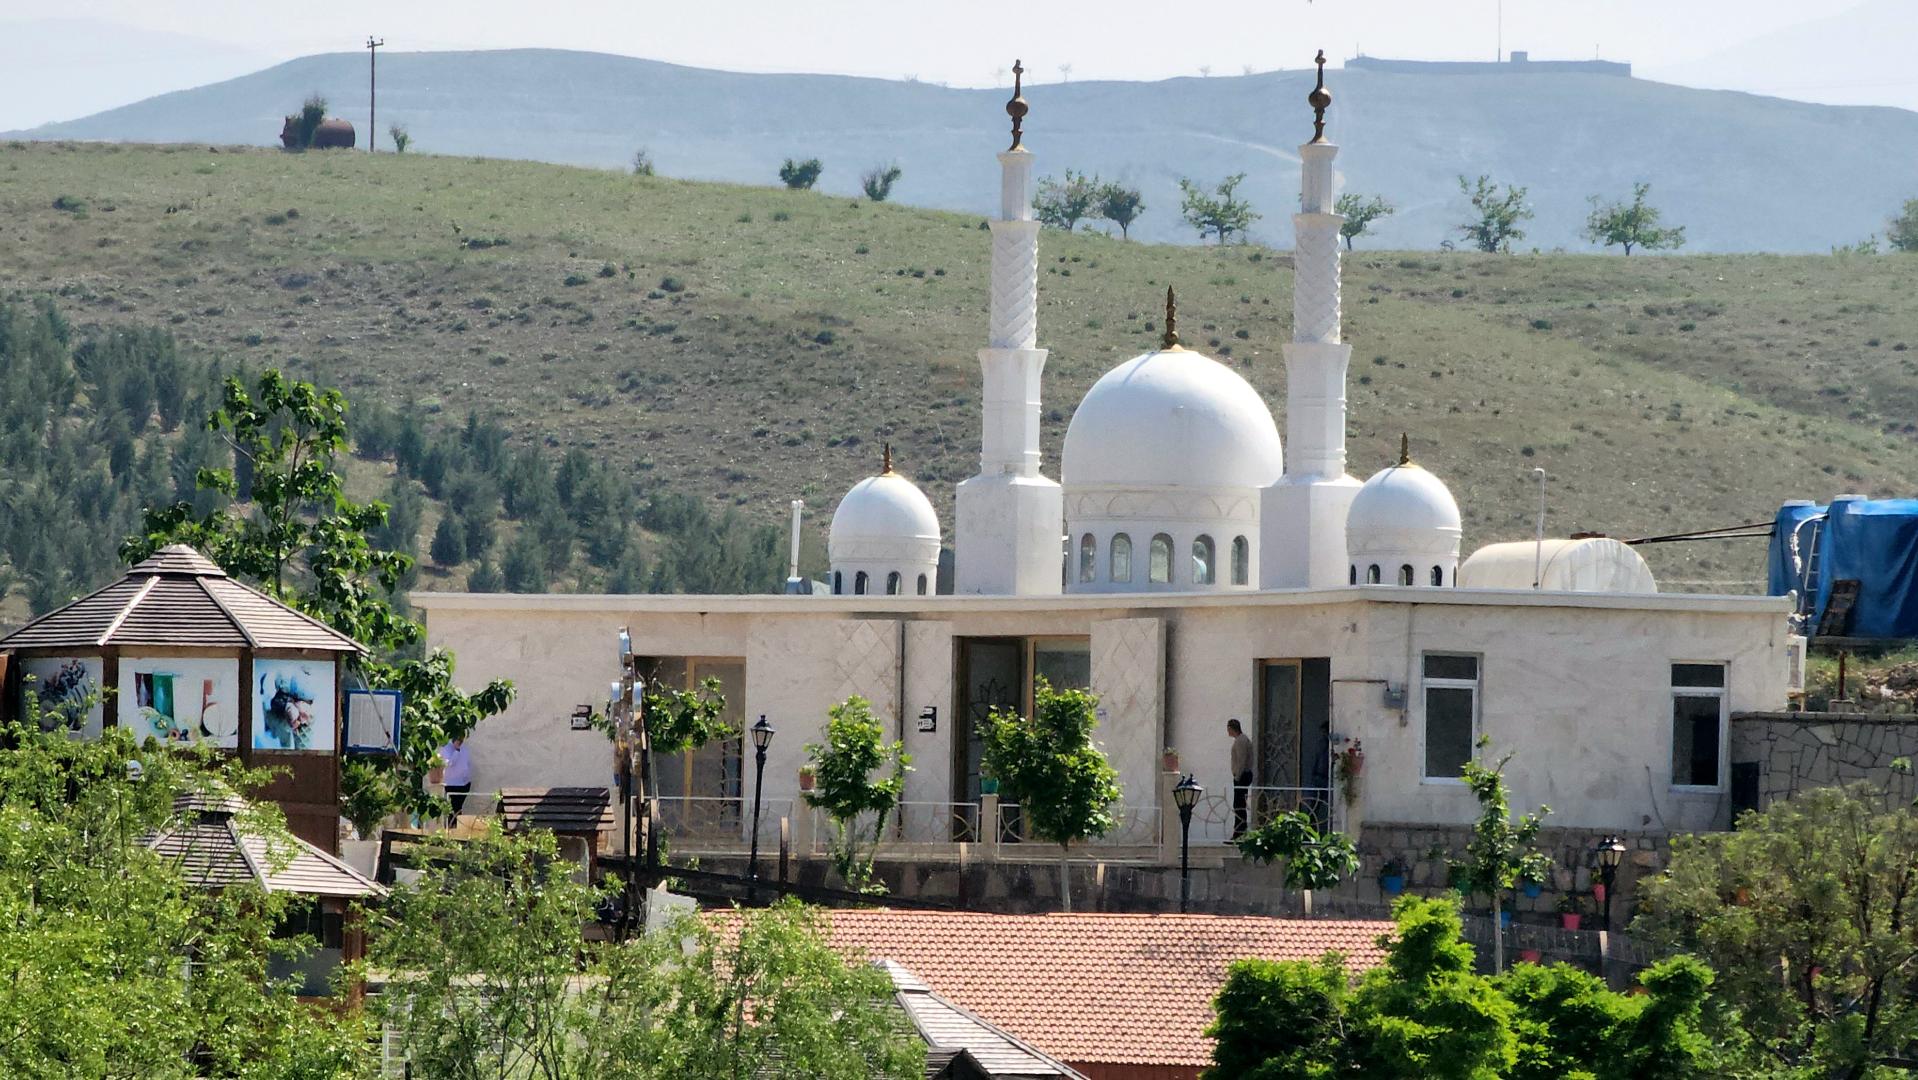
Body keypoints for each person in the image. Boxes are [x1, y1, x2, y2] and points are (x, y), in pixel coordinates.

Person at [1227, 718, 1254, 839]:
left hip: (1242, 776)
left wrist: (1237, 776)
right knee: (1239, 804)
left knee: (1239, 805)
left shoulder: (1241, 741)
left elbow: (1241, 760)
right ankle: (1239, 831)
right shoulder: (1241, 739)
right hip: (1242, 775)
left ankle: (1239, 832)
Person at [438, 736, 472, 826]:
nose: (461, 740)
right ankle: (452, 826)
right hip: (452, 784)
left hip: (464, 783)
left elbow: (466, 762)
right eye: (459, 739)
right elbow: (449, 763)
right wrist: (456, 750)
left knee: (458, 807)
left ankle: (455, 826)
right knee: (454, 808)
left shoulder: (464, 748)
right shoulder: (446, 749)